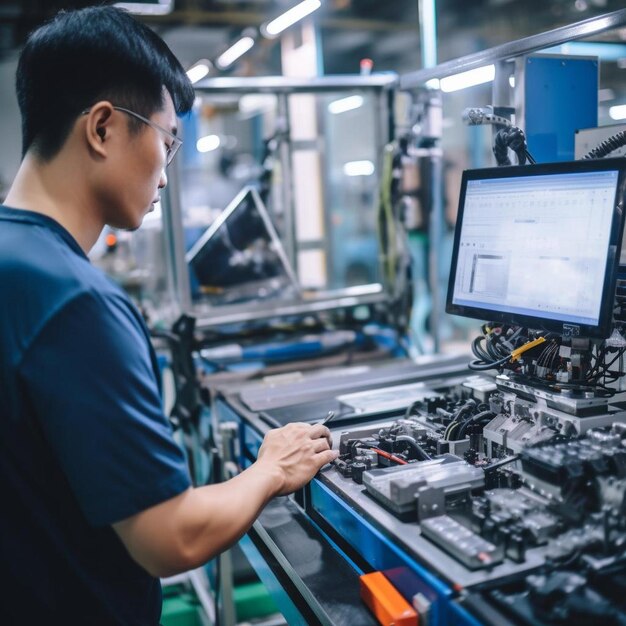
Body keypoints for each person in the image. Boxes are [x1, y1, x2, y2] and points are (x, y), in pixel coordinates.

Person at [0, 6, 338, 624]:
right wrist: (271, 468)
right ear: (102, 128)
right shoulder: (75, 301)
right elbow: (170, 538)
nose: (164, 171)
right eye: (166, 138)